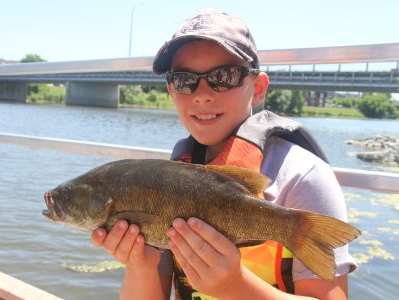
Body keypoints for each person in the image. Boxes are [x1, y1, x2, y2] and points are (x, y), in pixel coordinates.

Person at [91, 8, 356, 300]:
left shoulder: (303, 178)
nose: (201, 94)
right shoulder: (173, 176)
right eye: (183, 80)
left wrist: (236, 287)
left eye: (224, 76)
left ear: (257, 88)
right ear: (170, 90)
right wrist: (140, 266)